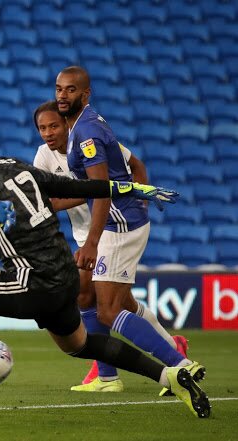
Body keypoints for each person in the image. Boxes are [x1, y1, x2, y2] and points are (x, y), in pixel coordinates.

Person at [0, 115, 209, 419]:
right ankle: (169, 376)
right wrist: (132, 188)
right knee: (79, 344)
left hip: (31, 280)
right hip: (66, 276)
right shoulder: (12, 163)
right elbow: (76, 186)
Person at [55, 66, 201, 395]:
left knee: (110, 308)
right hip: (120, 222)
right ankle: (109, 377)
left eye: (70, 90)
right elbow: (99, 184)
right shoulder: (85, 125)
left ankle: (179, 367)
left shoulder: (87, 133)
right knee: (103, 300)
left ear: (85, 94)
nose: (63, 95)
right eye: (59, 89)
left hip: (117, 226)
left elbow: (102, 190)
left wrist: (91, 243)